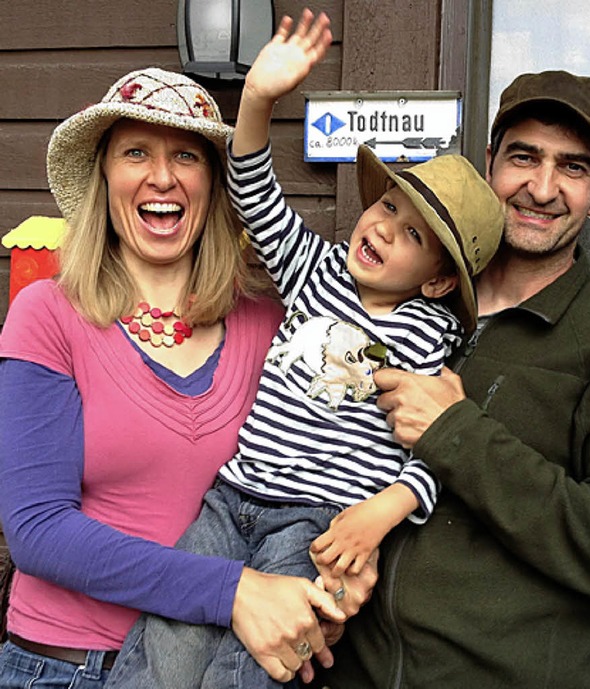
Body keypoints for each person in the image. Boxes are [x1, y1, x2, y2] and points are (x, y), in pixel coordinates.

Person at [104, 10, 504, 689]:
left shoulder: (430, 340)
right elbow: (254, 190)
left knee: (259, 657)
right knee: (165, 645)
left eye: (411, 235)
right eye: (387, 208)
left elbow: (441, 453)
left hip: (314, 525)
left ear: (437, 279)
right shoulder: (316, 269)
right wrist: (258, 99)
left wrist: (381, 513)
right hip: (232, 497)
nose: (382, 228)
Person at [0, 66, 369, 689]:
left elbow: (336, 457)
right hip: (69, 666)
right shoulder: (49, 314)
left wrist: (340, 577)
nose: (162, 176)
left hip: (221, 667)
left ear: (214, 184)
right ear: (104, 178)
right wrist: (234, 592)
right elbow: (37, 531)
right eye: (136, 152)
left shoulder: (270, 321)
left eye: (186, 156)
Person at [313, 70, 590, 688]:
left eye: (573, 168)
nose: (542, 188)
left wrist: (458, 434)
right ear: (490, 163)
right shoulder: (401, 294)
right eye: (524, 157)